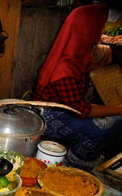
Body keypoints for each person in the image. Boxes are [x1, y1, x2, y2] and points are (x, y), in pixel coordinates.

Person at [33, 3, 122, 172]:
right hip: (49, 118)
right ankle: (76, 162)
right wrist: (118, 109)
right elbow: (82, 110)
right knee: (107, 124)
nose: (100, 31)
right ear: (88, 29)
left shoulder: (75, 52)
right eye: (99, 27)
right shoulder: (65, 67)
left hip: (64, 111)